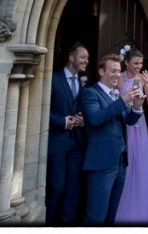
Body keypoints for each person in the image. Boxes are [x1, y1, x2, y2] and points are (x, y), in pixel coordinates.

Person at [81, 53, 146, 225]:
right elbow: (95, 119)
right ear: (102, 72)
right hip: (101, 164)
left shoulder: (115, 94)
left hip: (120, 163)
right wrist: (122, 100)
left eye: (119, 71)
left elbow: (129, 121)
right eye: (113, 70)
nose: (117, 74)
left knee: (111, 216)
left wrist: (137, 108)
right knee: (96, 216)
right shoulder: (90, 93)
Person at [46, 44, 88, 225]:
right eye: (83, 57)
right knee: (57, 186)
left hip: (77, 143)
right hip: (58, 142)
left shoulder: (84, 82)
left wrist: (83, 119)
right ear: (72, 58)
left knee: (73, 188)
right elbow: (39, 111)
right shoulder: (53, 80)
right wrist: (62, 121)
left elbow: (86, 107)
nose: (86, 61)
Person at [115, 47, 148, 225]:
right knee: (126, 164)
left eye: (141, 63)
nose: (139, 66)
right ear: (126, 63)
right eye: (135, 63)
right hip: (123, 124)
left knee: (139, 163)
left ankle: (140, 211)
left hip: (139, 126)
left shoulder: (142, 79)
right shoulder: (119, 78)